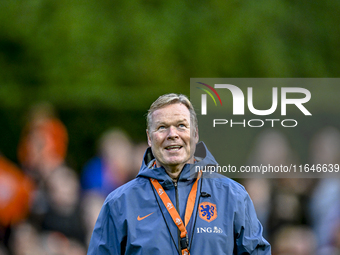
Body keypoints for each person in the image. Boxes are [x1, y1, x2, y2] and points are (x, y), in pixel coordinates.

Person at [87, 93, 271, 255]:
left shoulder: (233, 196)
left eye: (181, 125)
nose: (172, 134)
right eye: (162, 127)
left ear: (195, 134)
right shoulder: (119, 203)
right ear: (149, 138)